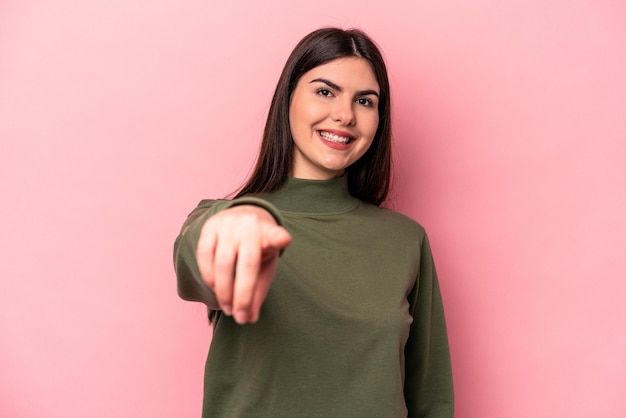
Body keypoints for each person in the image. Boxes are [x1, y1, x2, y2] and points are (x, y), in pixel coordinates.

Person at [173, 27, 454, 417]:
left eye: (365, 101)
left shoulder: (406, 240)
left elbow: (432, 400)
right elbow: (196, 257)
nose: (345, 115)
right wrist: (236, 222)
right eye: (325, 91)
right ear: (288, 98)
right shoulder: (221, 219)